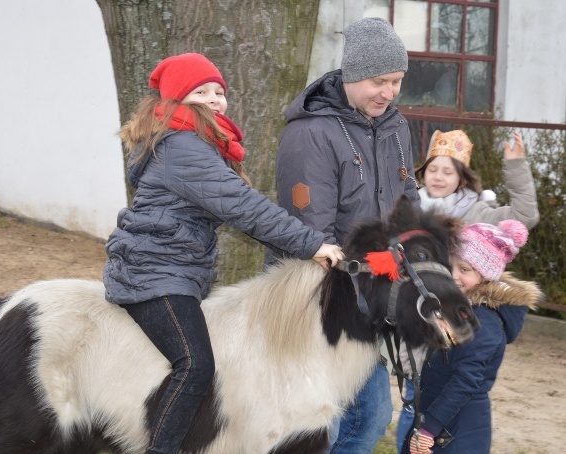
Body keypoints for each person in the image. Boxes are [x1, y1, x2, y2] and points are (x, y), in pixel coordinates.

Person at [102, 52, 344, 454]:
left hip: (172, 271)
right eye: (202, 91)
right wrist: (311, 244)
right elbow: (242, 206)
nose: (216, 99)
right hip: (153, 276)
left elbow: (241, 210)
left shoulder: (193, 143)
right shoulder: (182, 147)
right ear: (178, 100)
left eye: (219, 91)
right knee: (195, 366)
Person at [263, 17, 419, 454]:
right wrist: (375, 270)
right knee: (319, 424)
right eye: (378, 81)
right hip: (320, 301)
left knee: (370, 420)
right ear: (351, 75)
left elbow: (409, 200)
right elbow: (313, 236)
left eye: (397, 81)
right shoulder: (311, 132)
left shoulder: (395, 126)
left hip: (372, 296)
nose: (388, 92)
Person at [395, 129, 540, 452]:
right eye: (433, 169)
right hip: (414, 317)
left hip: (456, 320)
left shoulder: (479, 214)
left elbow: (526, 216)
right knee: (414, 394)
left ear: (462, 177)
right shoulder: (408, 208)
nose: (438, 176)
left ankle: (422, 435)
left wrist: (515, 167)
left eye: (448, 171)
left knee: (436, 391)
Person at [402, 220, 543, 454]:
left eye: (465, 269)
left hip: (455, 432)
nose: (453, 276)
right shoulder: (455, 309)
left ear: (486, 277)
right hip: (435, 419)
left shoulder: (485, 322)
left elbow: (466, 380)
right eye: (450, 265)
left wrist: (430, 429)